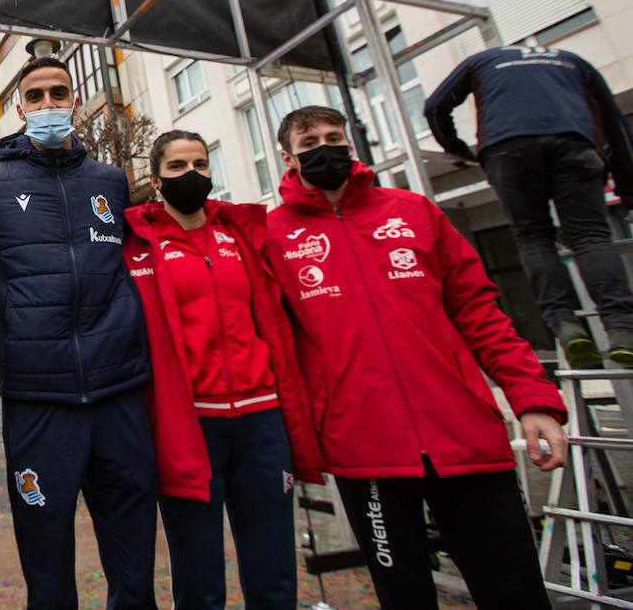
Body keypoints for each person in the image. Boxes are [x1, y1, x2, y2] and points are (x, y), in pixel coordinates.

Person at [266, 104, 568, 610]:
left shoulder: (414, 211)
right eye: (309, 143)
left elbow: (479, 312)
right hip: (365, 446)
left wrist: (533, 399)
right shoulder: (273, 234)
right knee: (404, 596)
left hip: (463, 434)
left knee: (513, 588)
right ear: (288, 158)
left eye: (333, 137)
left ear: (350, 143)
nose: (325, 149)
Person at [0, 55, 157, 610]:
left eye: (59, 93)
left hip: (118, 388)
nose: (48, 104)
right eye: (36, 95)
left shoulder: (111, 181)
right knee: (46, 569)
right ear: (20, 108)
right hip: (38, 396)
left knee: (135, 563)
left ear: (75, 103)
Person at [123, 129, 324, 610]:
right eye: (177, 167)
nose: (191, 174)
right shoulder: (136, 247)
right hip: (190, 425)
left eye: (200, 164)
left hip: (262, 421)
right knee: (199, 578)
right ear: (156, 180)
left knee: (274, 570)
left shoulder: (242, 234)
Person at [425, 42, 633, 367]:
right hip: (574, 143)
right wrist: (627, 187)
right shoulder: (572, 60)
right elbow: (614, 123)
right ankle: (621, 329)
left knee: (533, 236)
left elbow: (435, 107)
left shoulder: (482, 61)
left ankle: (565, 325)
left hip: (507, 148)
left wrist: (457, 147)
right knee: (591, 236)